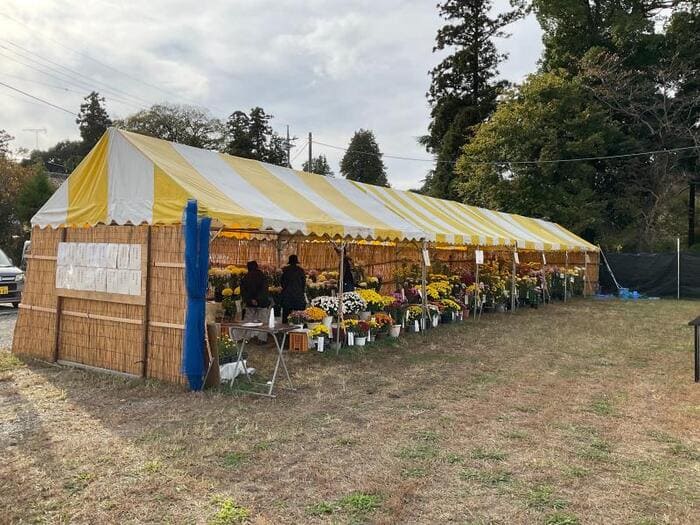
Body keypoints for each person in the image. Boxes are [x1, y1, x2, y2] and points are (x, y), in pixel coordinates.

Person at [240, 260, 270, 341]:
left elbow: (243, 291)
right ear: (257, 266)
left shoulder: (245, 277)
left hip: (250, 303)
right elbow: (264, 290)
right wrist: (258, 299)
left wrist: (251, 300)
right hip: (262, 302)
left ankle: (245, 338)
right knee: (263, 321)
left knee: (248, 321)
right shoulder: (263, 276)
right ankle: (262, 339)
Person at [280, 254, 306, 323]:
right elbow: (303, 284)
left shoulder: (285, 271)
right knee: (299, 315)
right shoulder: (300, 270)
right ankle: (298, 330)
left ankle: (285, 331)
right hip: (298, 296)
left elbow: (282, 283)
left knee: (286, 314)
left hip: (287, 296)